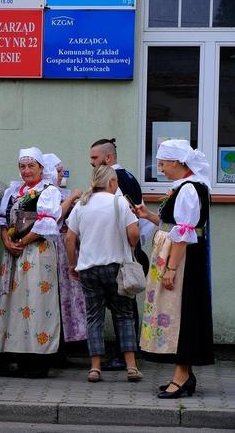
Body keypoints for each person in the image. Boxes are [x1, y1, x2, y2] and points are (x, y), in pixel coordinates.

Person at [135, 139, 213, 399]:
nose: (160, 167)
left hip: (181, 261)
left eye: (163, 163)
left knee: (182, 313)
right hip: (175, 258)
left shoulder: (190, 189)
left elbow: (184, 233)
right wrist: (148, 216)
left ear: (179, 163)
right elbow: (173, 225)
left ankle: (182, 376)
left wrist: (170, 268)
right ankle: (184, 374)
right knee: (179, 313)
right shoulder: (182, 187)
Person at [65, 165, 143, 383]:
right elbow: (134, 232)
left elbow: (70, 239)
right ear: (111, 182)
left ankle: (95, 368)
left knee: (94, 317)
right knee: (124, 314)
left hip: (88, 268)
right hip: (116, 266)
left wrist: (72, 265)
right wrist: (130, 245)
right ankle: (131, 366)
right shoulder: (120, 202)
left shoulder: (82, 204)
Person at [0, 147, 62, 378]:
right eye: (22, 166)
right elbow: (2, 220)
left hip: (37, 252)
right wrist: (7, 240)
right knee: (15, 301)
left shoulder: (48, 191)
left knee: (37, 301)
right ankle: (17, 354)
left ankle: (39, 357)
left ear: (42, 168)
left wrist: (22, 241)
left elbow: (47, 222)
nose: (26, 170)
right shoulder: (14, 191)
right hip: (15, 252)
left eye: (31, 166)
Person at [89, 138, 150, 371]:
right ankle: (126, 353)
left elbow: (127, 219)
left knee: (122, 305)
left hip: (122, 250)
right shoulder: (129, 176)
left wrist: (128, 247)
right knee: (125, 302)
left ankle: (124, 355)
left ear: (108, 157)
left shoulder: (116, 180)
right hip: (130, 248)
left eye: (94, 158)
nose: (91, 163)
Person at [44, 154, 87, 347]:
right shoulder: (48, 192)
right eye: (58, 171)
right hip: (55, 245)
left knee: (69, 294)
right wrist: (71, 198)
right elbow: (55, 217)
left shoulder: (59, 192)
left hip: (66, 248)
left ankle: (69, 339)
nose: (61, 175)